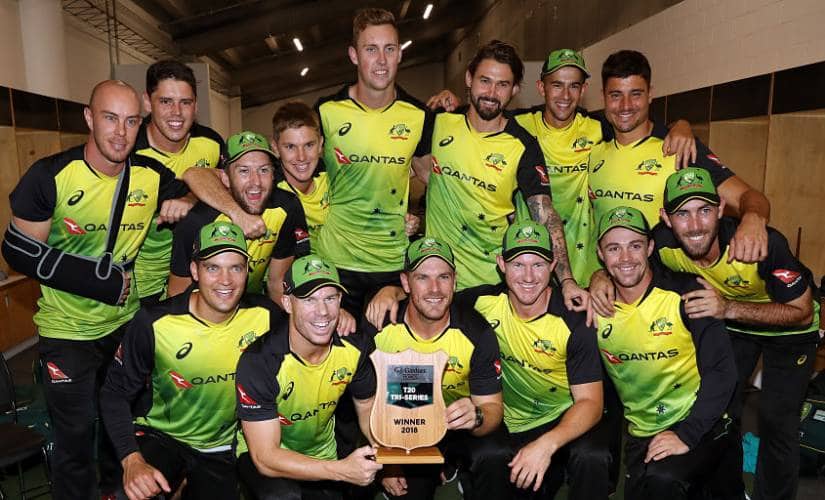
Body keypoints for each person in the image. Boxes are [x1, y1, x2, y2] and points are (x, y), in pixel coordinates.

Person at [1, 80, 191, 500]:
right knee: (74, 445)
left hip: (125, 328)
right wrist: (92, 280)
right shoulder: (51, 175)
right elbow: (16, 250)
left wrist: (188, 201)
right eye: (109, 118)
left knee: (122, 436)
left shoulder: (150, 175)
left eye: (130, 122)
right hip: (67, 333)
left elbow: (199, 187)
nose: (120, 133)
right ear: (89, 118)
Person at [427, 48, 697, 287]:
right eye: (557, 85)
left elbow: (638, 127)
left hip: (586, 263)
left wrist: (680, 125)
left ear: (584, 90)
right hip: (529, 259)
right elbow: (486, 111)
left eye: (574, 86)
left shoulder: (597, 129)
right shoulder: (521, 125)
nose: (565, 95)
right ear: (542, 88)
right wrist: (451, 104)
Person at [653, 168, 819, 499]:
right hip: (732, 324)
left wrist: (728, 308)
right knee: (720, 408)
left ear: (720, 210)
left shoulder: (765, 244)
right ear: (666, 219)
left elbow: (802, 313)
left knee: (776, 419)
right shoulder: (661, 245)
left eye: (704, 210)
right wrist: (600, 279)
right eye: (682, 213)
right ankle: (726, 489)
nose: (696, 225)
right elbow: (620, 260)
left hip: (789, 327)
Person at [100, 221, 277, 500]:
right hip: (164, 437)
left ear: (247, 271)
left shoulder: (266, 316)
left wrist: (340, 318)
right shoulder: (155, 322)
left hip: (222, 447)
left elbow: (306, 333)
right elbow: (114, 394)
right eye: (213, 268)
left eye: (236, 268)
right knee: (129, 495)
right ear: (194, 271)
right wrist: (131, 460)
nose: (226, 280)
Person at [589, 49, 772, 315]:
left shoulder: (679, 148)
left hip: (668, 299)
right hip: (610, 295)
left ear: (650, 94)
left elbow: (749, 196)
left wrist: (754, 218)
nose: (625, 106)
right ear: (603, 98)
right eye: (616, 95)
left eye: (636, 94)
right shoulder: (593, 150)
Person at [414, 40, 588, 316]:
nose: (491, 93)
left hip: (491, 286)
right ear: (469, 79)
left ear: (515, 90)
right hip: (437, 283)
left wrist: (566, 281)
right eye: (485, 80)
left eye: (502, 84)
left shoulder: (523, 145)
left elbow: (545, 215)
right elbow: (409, 167)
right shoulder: (438, 122)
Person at [594, 205, 741, 499]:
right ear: (600, 255)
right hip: (642, 432)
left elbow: (723, 372)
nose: (625, 259)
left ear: (650, 247)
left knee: (664, 479)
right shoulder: (593, 308)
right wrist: (595, 279)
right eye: (613, 248)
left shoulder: (687, 295)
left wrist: (687, 434)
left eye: (635, 246)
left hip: (702, 421)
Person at [458, 221, 607, 499]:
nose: (528, 276)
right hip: (501, 417)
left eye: (538, 264)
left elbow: (591, 403)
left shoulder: (574, 319)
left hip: (557, 420)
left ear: (552, 266)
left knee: (593, 456)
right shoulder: (481, 303)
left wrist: (547, 445)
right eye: (518, 264)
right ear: (501, 263)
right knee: (488, 456)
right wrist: (392, 291)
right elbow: (431, 299)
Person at [366, 237, 505, 499]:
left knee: (495, 454)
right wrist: (388, 459)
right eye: (422, 278)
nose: (435, 289)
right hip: (403, 427)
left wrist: (476, 416)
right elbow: (365, 403)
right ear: (405, 283)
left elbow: (493, 409)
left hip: (457, 429)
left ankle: (457, 466)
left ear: (455, 281)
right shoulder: (380, 327)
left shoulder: (476, 331)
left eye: (443, 277)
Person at [235, 255, 381, 500]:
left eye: (330, 298)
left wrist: (390, 454)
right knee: (282, 496)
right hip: (267, 456)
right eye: (309, 299)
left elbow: (367, 409)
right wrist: (341, 470)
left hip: (323, 452)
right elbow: (266, 458)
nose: (322, 312)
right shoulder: (260, 361)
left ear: (341, 301)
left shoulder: (356, 348)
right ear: (288, 304)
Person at [168, 131, 308, 304]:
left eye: (263, 170)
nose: (255, 181)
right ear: (225, 178)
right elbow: (177, 293)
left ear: (274, 175)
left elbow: (276, 282)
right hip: (202, 313)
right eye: (243, 171)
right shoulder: (197, 222)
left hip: (251, 307)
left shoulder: (287, 207)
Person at [132, 60, 225, 305]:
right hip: (139, 287)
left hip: (195, 278)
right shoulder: (129, 151)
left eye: (186, 102)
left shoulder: (212, 143)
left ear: (195, 106)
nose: (177, 112)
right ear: (146, 102)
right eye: (165, 102)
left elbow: (227, 186)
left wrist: (192, 197)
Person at [269, 101, 420, 251]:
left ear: (321, 144)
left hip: (344, 266)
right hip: (298, 269)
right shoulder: (268, 193)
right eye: (290, 147)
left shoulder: (337, 173)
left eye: (309, 145)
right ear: (275, 148)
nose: (301, 157)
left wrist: (402, 220)